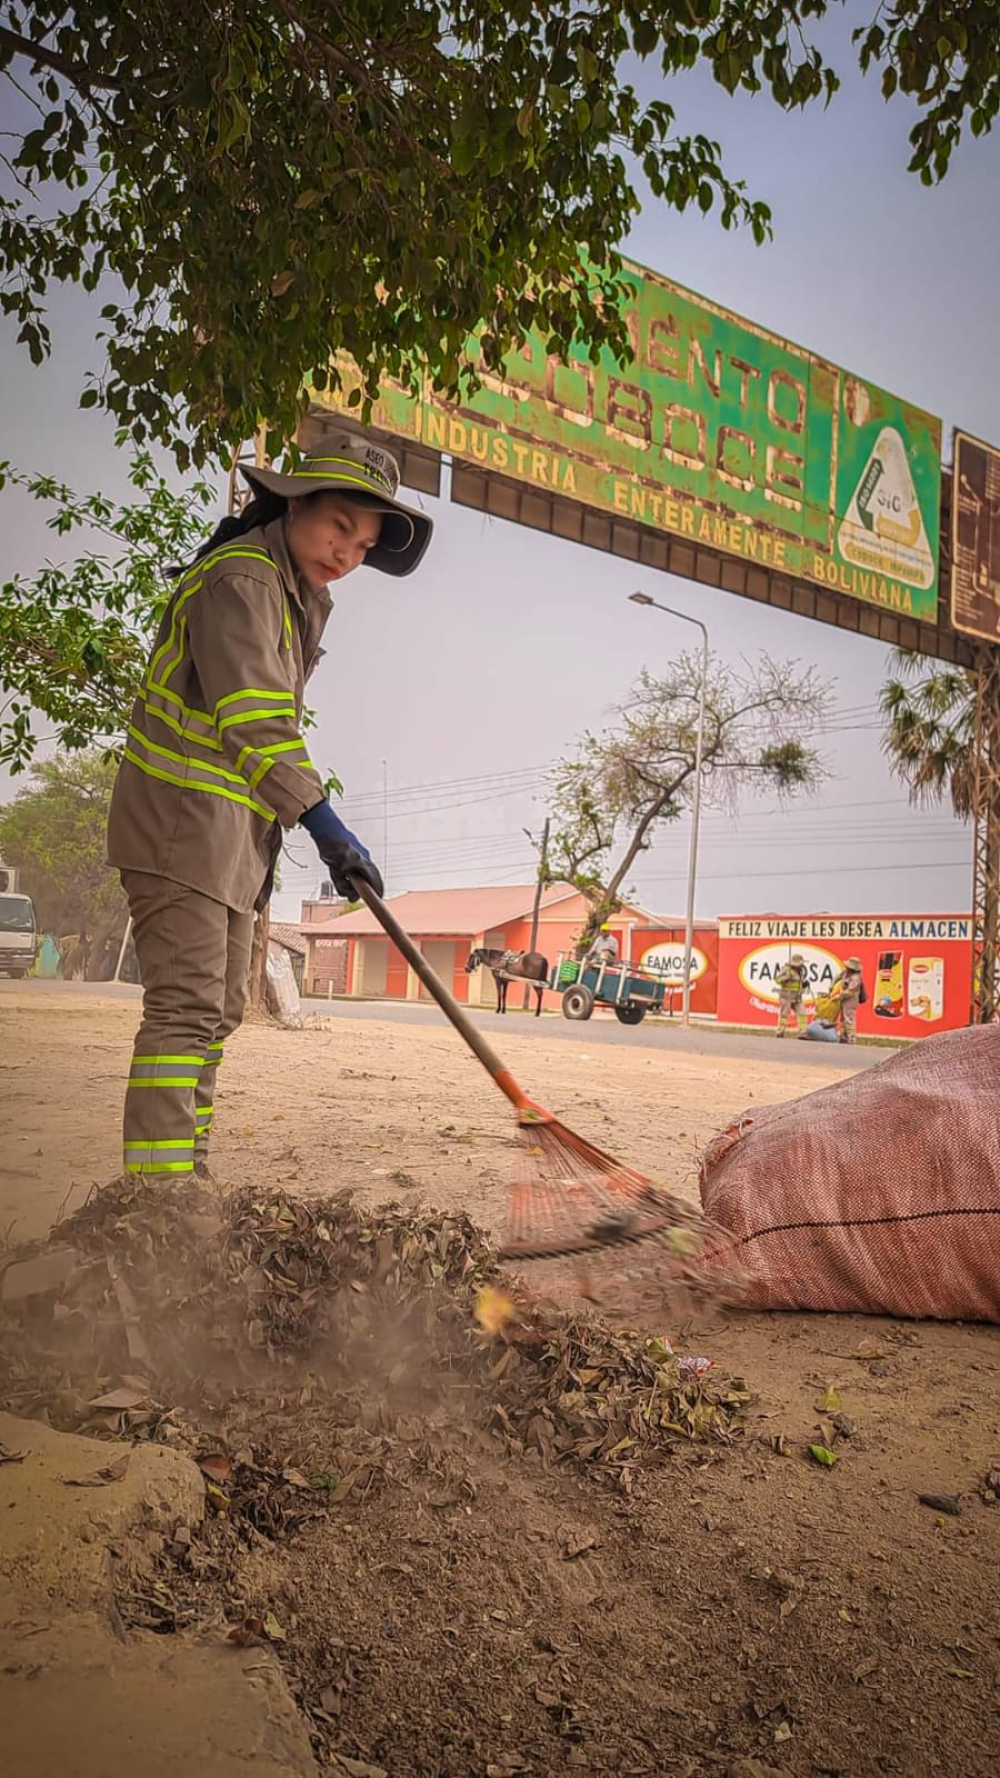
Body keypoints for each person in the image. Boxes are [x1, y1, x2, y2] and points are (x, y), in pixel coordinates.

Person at [106, 430, 432, 1184]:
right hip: (177, 831)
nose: (347, 553)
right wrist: (324, 823)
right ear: (291, 506)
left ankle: (188, 1182)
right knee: (186, 1012)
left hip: (225, 844)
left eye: (364, 544)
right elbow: (254, 722)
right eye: (338, 527)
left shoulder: (293, 596)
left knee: (215, 1015)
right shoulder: (246, 581)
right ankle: (155, 1205)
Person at [832, 956, 867, 1045]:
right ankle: (843, 1038)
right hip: (844, 998)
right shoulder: (846, 972)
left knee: (849, 1019)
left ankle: (851, 1038)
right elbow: (838, 976)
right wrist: (832, 984)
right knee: (843, 1019)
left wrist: (839, 996)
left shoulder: (856, 978)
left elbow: (850, 992)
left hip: (851, 1000)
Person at [775, 952, 809, 1037]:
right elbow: (777, 980)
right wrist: (786, 978)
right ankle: (780, 1031)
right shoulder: (786, 969)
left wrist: (803, 984)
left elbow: (797, 982)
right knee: (784, 1013)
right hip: (786, 995)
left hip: (797, 996)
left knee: (802, 1013)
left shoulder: (800, 970)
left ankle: (803, 1032)